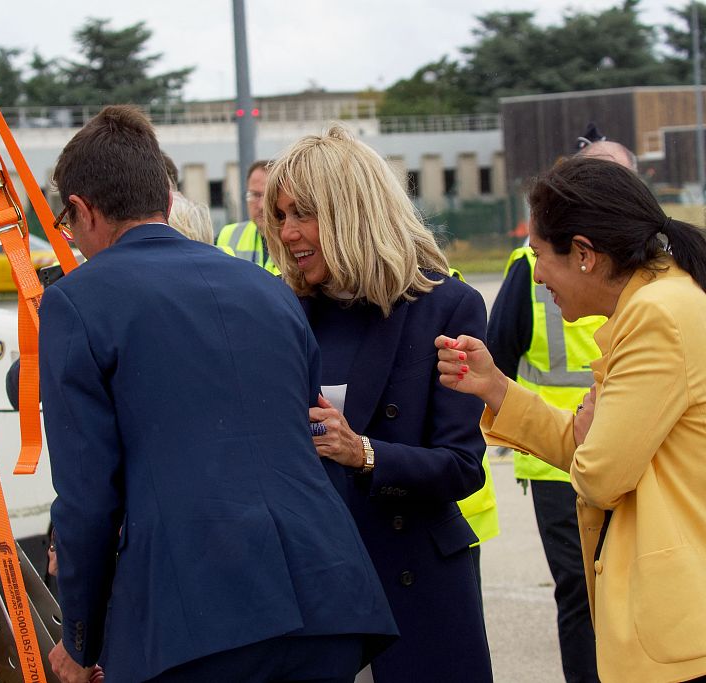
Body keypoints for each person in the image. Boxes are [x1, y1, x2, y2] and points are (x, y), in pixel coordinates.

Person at [40, 105, 397, 683]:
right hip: (328, 600)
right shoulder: (269, 291)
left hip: (195, 625)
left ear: (81, 210)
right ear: (163, 194)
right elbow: (311, 439)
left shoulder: (78, 302)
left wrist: (79, 642)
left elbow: (87, 499)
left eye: (67, 224)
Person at [436, 156, 706, 683]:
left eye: (540, 254)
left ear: (584, 254)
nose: (536, 274)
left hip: (679, 631)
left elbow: (599, 474)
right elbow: (593, 449)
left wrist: (589, 441)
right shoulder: (651, 303)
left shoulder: (657, 317)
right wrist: (496, 387)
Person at [261, 124, 492, 683]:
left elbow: (463, 466)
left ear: (351, 211)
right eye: (281, 216)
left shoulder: (447, 306)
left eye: (304, 214)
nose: (288, 233)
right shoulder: (281, 311)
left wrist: (362, 452)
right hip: (314, 592)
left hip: (415, 588)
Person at [486, 135, 637, 683]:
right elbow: (499, 348)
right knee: (581, 593)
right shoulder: (530, 264)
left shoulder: (660, 298)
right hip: (554, 460)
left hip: (600, 455)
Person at [216, 160, 280, 274]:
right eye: (255, 195)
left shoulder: (295, 239)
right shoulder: (227, 235)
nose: (261, 206)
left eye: (268, 195)